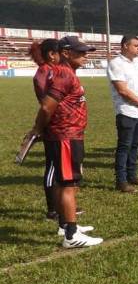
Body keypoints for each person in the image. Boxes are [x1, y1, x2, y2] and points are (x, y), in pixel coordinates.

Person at [25, 36, 102, 248]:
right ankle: (71, 234)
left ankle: (67, 225)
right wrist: (37, 129)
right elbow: (47, 107)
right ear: (66, 53)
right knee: (68, 184)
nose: (86, 55)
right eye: (81, 52)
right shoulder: (64, 74)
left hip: (68, 135)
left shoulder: (64, 73)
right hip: (66, 136)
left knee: (64, 182)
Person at [108, 35, 138, 193]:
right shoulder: (116, 64)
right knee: (124, 146)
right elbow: (122, 90)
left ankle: (132, 175)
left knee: (135, 145)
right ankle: (121, 180)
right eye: (136, 45)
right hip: (127, 111)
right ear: (125, 46)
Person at [30, 38, 63, 220]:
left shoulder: (52, 70)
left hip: (60, 124)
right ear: (51, 54)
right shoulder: (43, 72)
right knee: (52, 167)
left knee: (60, 167)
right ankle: (52, 209)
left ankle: (61, 203)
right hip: (52, 125)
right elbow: (46, 104)